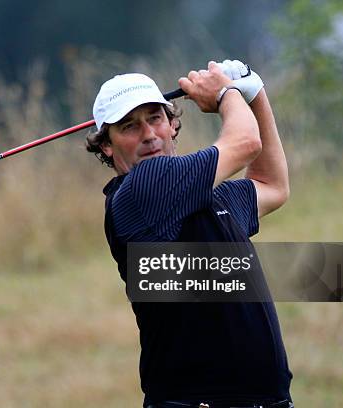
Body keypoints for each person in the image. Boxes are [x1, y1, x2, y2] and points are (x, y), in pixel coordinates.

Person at [85, 60, 293, 408]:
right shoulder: (141, 191)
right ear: (107, 145)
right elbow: (244, 143)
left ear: (172, 124)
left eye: (155, 118)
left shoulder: (207, 198)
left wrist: (255, 94)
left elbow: (271, 186)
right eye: (129, 126)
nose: (149, 134)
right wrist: (227, 92)